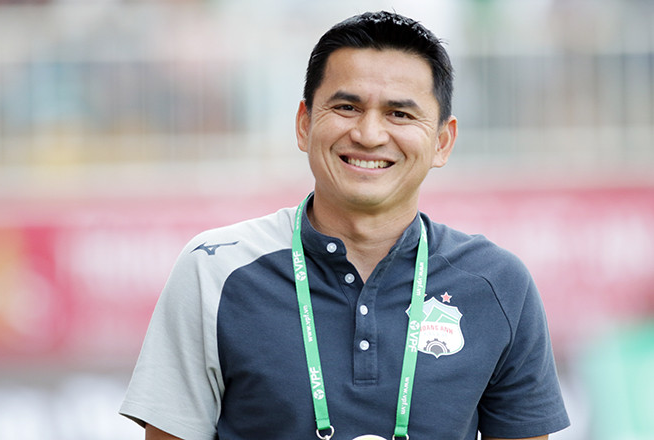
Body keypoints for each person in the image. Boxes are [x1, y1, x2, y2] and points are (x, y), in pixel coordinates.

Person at [120, 11, 570, 440]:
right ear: (304, 124)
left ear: (442, 141)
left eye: (399, 114)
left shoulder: (498, 284)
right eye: (347, 106)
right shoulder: (214, 270)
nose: (369, 134)